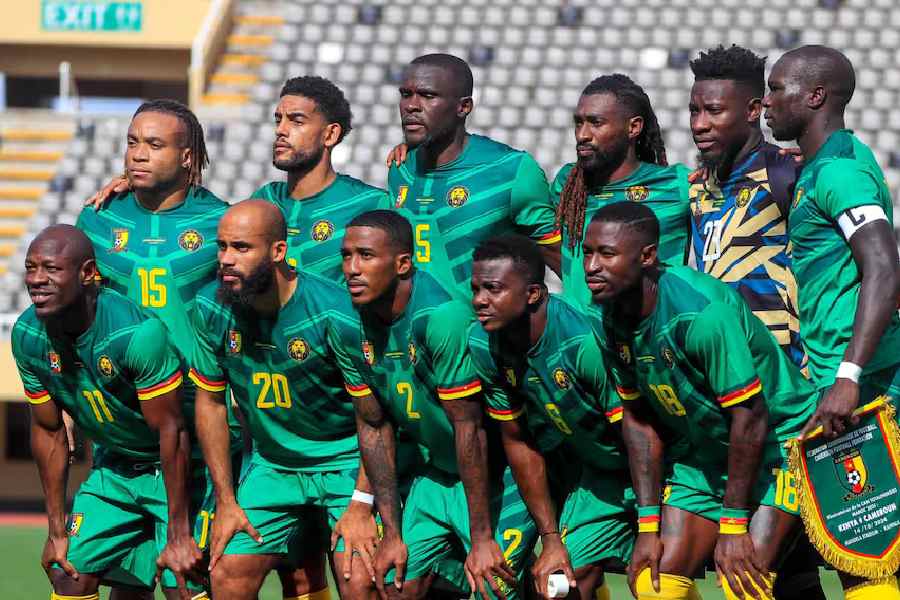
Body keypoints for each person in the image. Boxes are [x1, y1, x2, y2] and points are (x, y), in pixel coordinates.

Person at [583, 202, 816, 600]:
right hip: (707, 453)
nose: (591, 267)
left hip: (778, 445)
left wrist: (733, 523)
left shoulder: (701, 314)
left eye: (606, 254)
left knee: (745, 584)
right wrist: (647, 526)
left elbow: (750, 417)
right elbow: (639, 421)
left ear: (647, 256)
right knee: (654, 586)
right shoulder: (608, 317)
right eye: (588, 253)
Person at [75, 99, 240, 598]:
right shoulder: (97, 219)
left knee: (185, 582)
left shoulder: (222, 223)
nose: (138, 154)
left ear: (187, 156)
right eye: (132, 143)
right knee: (120, 582)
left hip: (196, 429)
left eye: (154, 144)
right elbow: (77, 314)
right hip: (125, 431)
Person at [189, 200, 378, 600]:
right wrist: (226, 500)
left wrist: (362, 503)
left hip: (346, 460)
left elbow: (374, 417)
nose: (226, 259)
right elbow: (210, 403)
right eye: (222, 247)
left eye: (241, 248)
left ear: (278, 251)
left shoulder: (335, 311)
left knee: (359, 579)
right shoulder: (209, 306)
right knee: (226, 574)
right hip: (273, 466)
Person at [342, 210, 536, 599]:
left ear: (403, 264)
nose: (352, 269)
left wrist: (481, 538)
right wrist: (392, 533)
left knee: (495, 586)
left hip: (496, 476)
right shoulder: (350, 323)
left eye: (366, 255)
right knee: (394, 584)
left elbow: (470, 429)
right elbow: (374, 425)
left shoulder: (441, 317)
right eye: (346, 256)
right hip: (436, 474)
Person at [764, 45, 900, 600]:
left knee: (865, 555)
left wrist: (848, 375)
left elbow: (884, 265)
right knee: (858, 554)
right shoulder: (826, 165)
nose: (767, 102)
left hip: (861, 387)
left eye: (777, 89)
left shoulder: (840, 171)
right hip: (834, 380)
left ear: (815, 96)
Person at [11, 225, 201, 600]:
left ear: (87, 273)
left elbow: (172, 432)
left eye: (51, 269)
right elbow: (49, 432)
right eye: (31, 268)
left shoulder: (136, 334)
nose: (36, 279)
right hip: (115, 468)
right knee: (68, 571)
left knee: (182, 584)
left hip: (183, 466)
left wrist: (179, 534)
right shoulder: (27, 335)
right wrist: (56, 531)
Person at [468, 234, 632, 600]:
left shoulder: (585, 340)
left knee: (661, 579)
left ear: (533, 294)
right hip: (597, 475)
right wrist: (551, 539)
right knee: (559, 585)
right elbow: (518, 440)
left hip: (658, 468)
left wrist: (652, 519)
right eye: (476, 289)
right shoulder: (482, 344)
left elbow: (640, 432)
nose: (479, 300)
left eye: (493, 289)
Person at [386, 53, 562, 301]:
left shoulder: (511, 170)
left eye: (428, 96)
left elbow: (560, 259)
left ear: (464, 107)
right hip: (411, 325)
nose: (411, 106)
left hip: (480, 325)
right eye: (406, 94)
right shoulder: (400, 168)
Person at [688, 45, 807, 369]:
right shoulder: (697, 187)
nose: (699, 124)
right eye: (694, 111)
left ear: (753, 110)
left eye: (714, 111)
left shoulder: (786, 174)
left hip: (786, 371)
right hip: (726, 367)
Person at [553, 74, 691, 306]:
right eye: (578, 122)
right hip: (582, 328)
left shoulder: (677, 184)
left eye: (596, 123)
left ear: (633, 127)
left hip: (653, 327)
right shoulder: (567, 185)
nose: (582, 134)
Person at [251, 76, 392, 281]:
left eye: (297, 121)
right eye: (278, 119)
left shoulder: (370, 204)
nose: (280, 130)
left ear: (330, 134)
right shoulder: (263, 200)